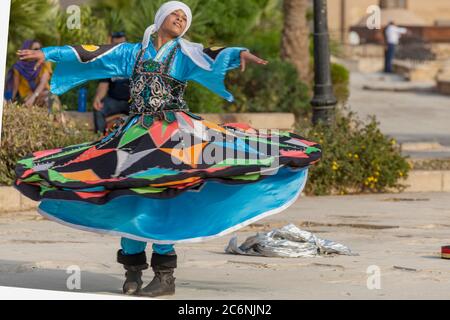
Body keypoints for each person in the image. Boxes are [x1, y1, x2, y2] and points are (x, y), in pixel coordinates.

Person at [14, 1, 322, 298]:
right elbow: (92, 53)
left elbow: (210, 55)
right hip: (134, 133)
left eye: (185, 18)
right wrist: (49, 54)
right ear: (161, 17)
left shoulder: (185, 53)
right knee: (128, 194)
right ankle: (132, 271)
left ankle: (164, 277)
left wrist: (237, 53)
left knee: (165, 194)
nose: (180, 19)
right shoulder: (132, 53)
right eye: (175, 14)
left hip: (174, 133)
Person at [93, 32, 131, 134]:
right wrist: (98, 98)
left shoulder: (134, 58)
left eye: (122, 45)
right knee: (99, 109)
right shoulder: (108, 63)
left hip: (132, 101)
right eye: (116, 45)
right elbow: (103, 84)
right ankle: (99, 138)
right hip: (114, 100)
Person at [5, 40, 53, 108]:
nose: (38, 52)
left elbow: (42, 83)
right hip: (26, 96)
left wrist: (33, 97)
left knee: (50, 97)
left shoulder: (45, 63)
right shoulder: (18, 67)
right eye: (35, 49)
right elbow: (15, 87)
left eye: (40, 49)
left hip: (41, 94)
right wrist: (9, 102)